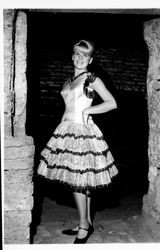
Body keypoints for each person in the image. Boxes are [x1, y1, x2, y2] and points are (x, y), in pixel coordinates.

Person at [37, 39, 119, 244]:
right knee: (83, 180)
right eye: (77, 54)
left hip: (83, 131)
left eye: (85, 55)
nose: (81, 58)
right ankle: (87, 221)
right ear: (72, 56)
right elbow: (67, 105)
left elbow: (112, 103)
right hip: (66, 130)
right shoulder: (68, 80)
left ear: (90, 60)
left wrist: (89, 110)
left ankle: (83, 226)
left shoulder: (91, 79)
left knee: (78, 181)